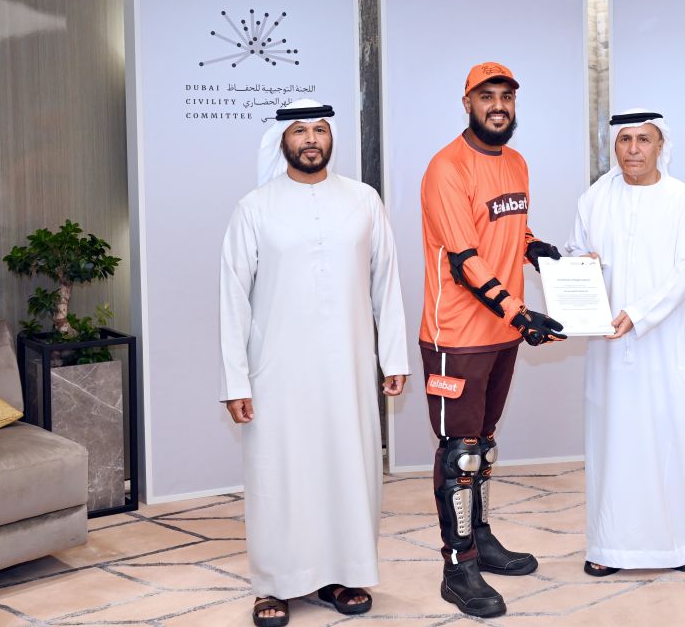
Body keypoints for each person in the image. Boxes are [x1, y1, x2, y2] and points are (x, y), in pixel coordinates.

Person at [219, 99, 409, 627]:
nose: (310, 139)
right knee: (280, 475)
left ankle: (344, 574)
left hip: (349, 367)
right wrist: (235, 381)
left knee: (347, 468)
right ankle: (274, 584)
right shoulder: (254, 208)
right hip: (276, 371)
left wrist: (392, 356)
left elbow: (386, 282)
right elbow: (232, 299)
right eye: (299, 130)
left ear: (331, 138)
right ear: (282, 140)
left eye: (320, 129)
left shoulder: (363, 200)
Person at [419, 62, 566, 618]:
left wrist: (535, 248)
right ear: (468, 103)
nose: (498, 105)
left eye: (506, 96)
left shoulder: (516, 161)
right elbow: (464, 260)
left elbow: (507, 228)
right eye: (487, 96)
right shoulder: (447, 167)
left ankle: (480, 542)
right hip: (456, 335)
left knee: (483, 446)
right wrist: (520, 313)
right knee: (459, 453)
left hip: (501, 333)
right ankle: (458, 569)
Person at [565, 108, 685, 577]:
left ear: (660, 145)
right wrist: (582, 265)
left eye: (643, 140)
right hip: (611, 350)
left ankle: (680, 545)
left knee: (673, 440)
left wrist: (639, 312)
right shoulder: (594, 199)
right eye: (624, 140)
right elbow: (575, 254)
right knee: (613, 446)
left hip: (668, 345)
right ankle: (609, 547)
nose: (633, 149)